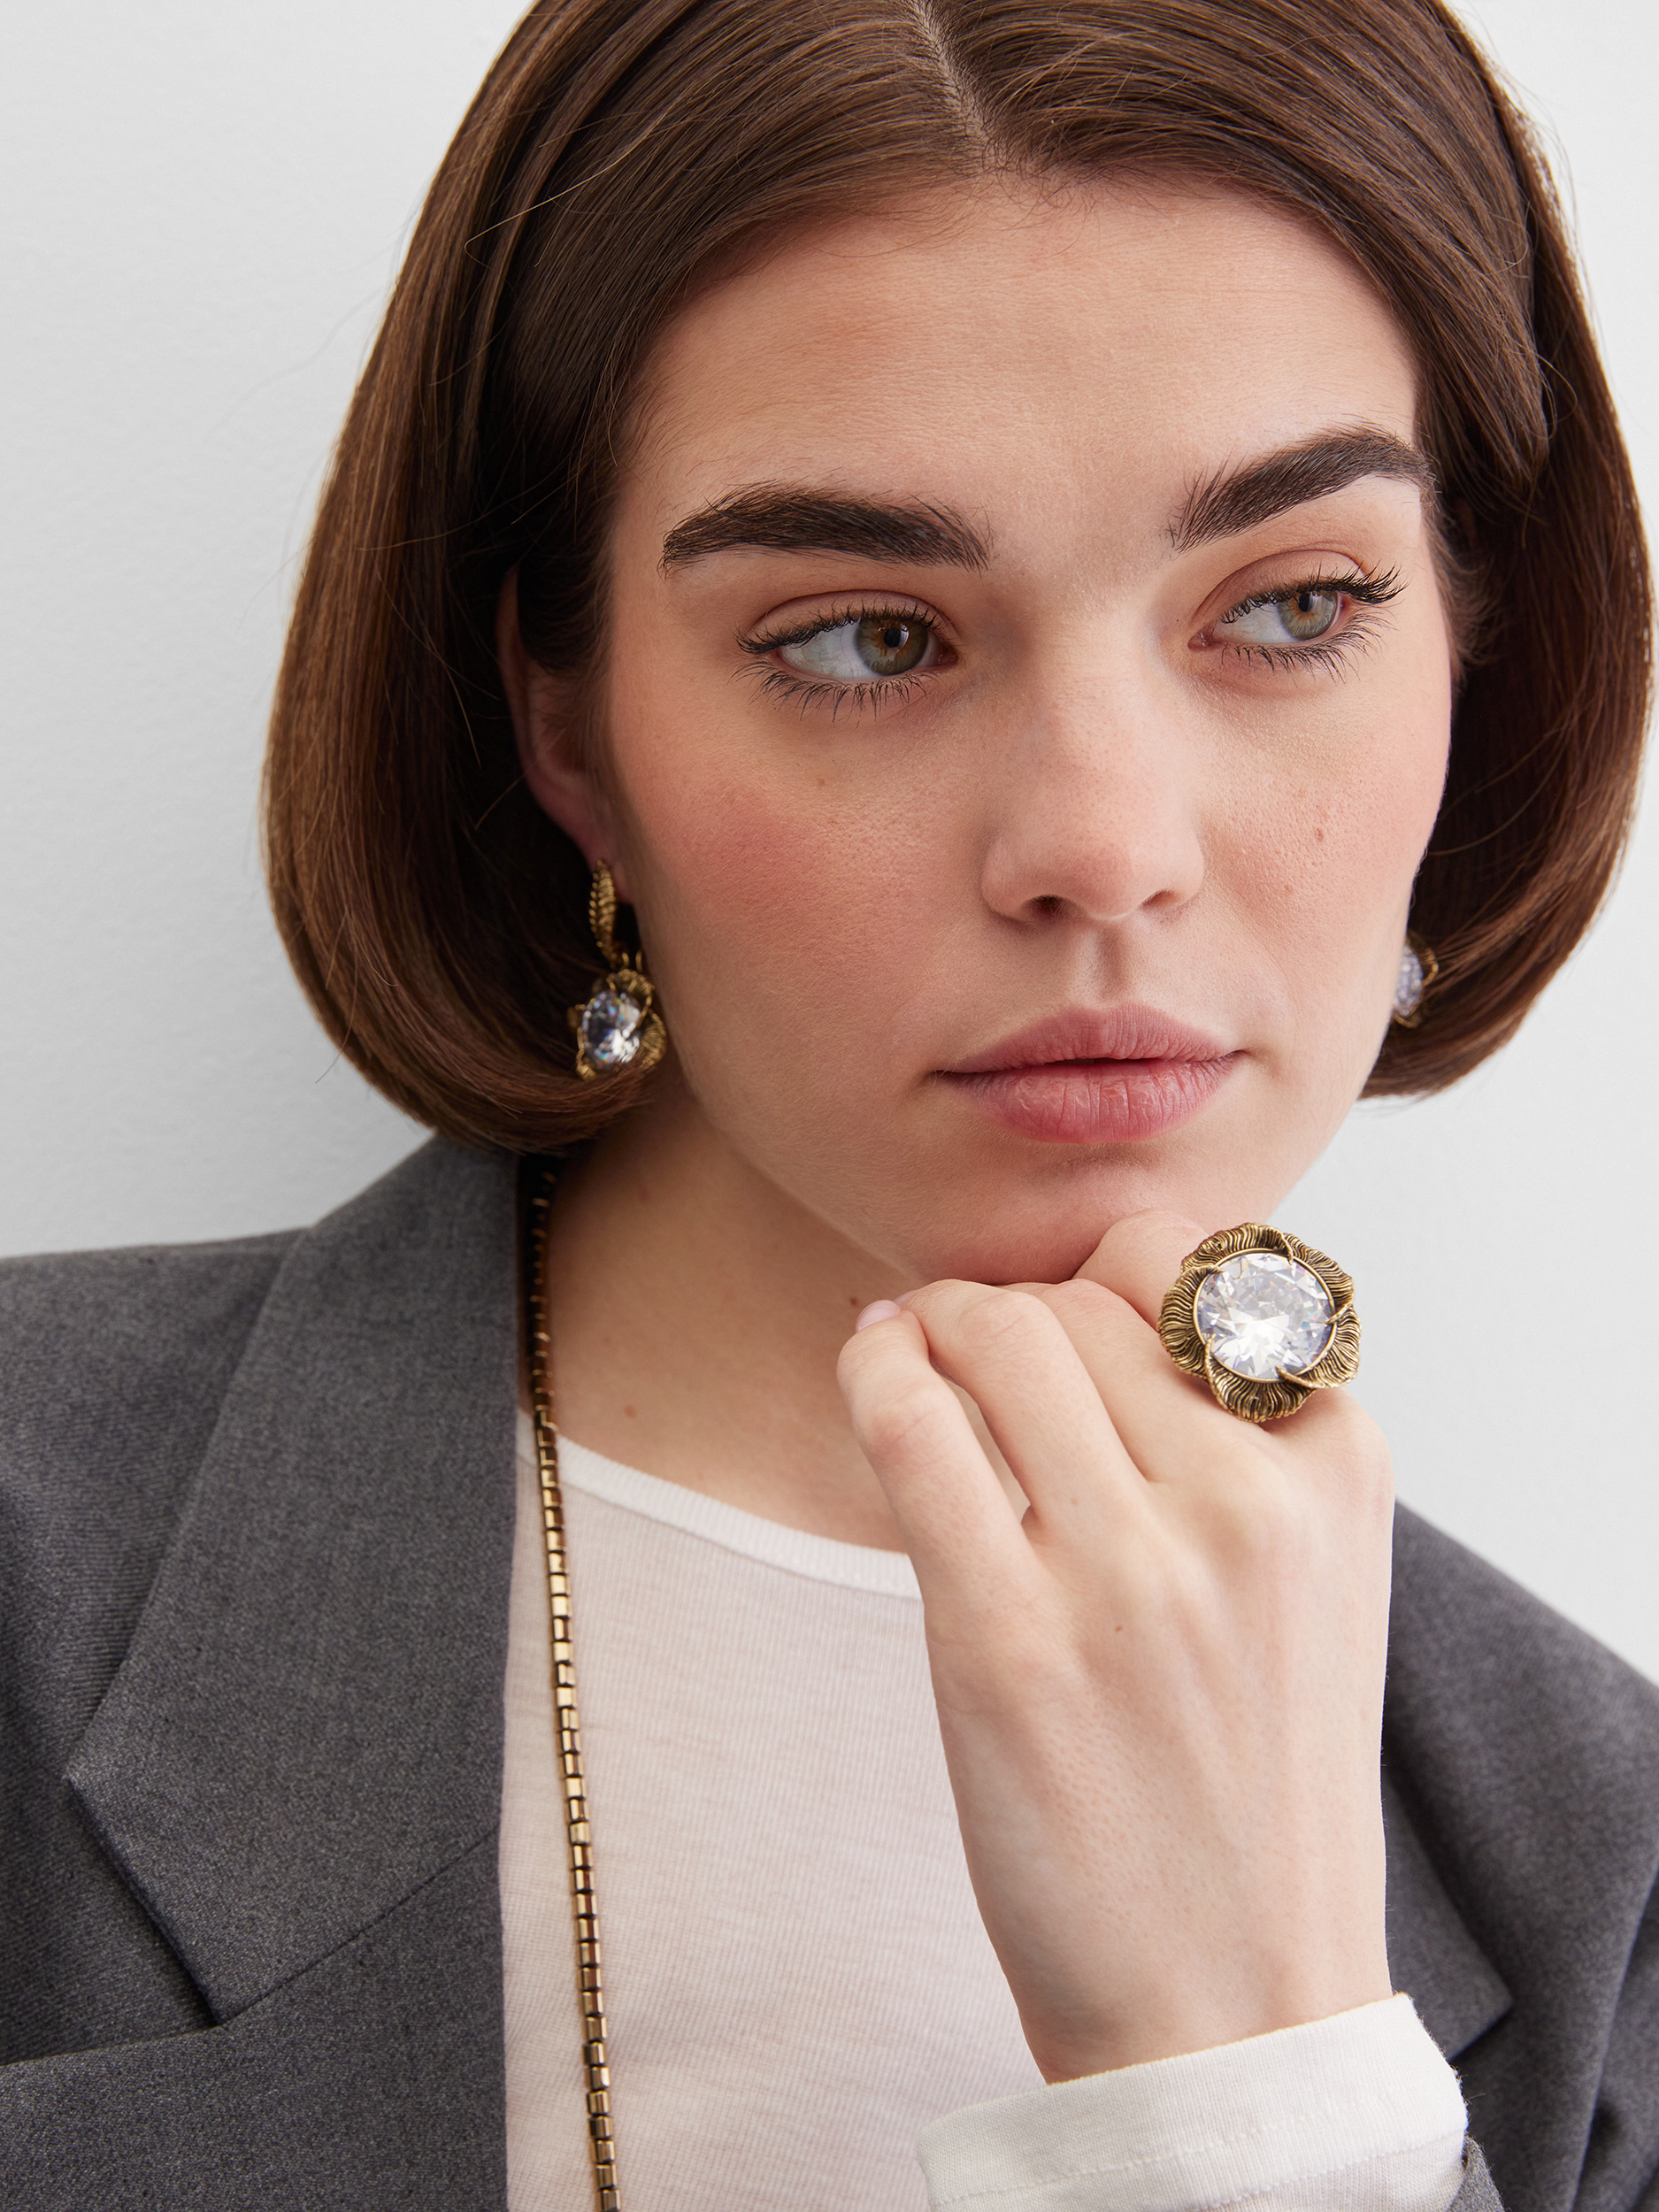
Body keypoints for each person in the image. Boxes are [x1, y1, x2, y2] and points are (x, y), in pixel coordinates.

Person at [3, 0, 1655, 2206]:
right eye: (867, 638)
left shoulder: (1603, 1879)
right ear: (565, 723)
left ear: (1476, 649)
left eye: (1290, 605)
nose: (1101, 843)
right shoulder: (38, 1552)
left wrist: (1259, 2090)